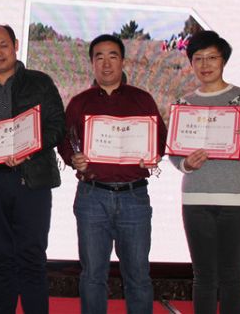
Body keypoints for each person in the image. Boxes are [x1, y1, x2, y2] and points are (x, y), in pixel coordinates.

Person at [58, 34, 166, 314]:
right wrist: (74, 159)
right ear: (92, 63)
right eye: (99, 57)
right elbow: (65, 142)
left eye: (112, 56)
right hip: (92, 197)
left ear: (123, 61)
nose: (106, 64)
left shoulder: (142, 100)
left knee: (138, 275)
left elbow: (159, 140)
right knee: (92, 275)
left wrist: (152, 154)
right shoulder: (79, 103)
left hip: (134, 196)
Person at [0, 25, 65, 314]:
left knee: (32, 257)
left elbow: (57, 125)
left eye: (4, 45)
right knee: (0, 257)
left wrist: (29, 148)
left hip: (31, 179)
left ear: (16, 45)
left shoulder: (39, 82)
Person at [169, 30, 240, 314]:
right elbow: (175, 154)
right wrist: (187, 164)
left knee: (232, 278)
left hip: (238, 199)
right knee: (203, 278)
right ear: (191, 63)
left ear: (223, 60)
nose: (205, 64)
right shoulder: (184, 103)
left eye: (212, 57)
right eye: (198, 58)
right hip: (196, 199)